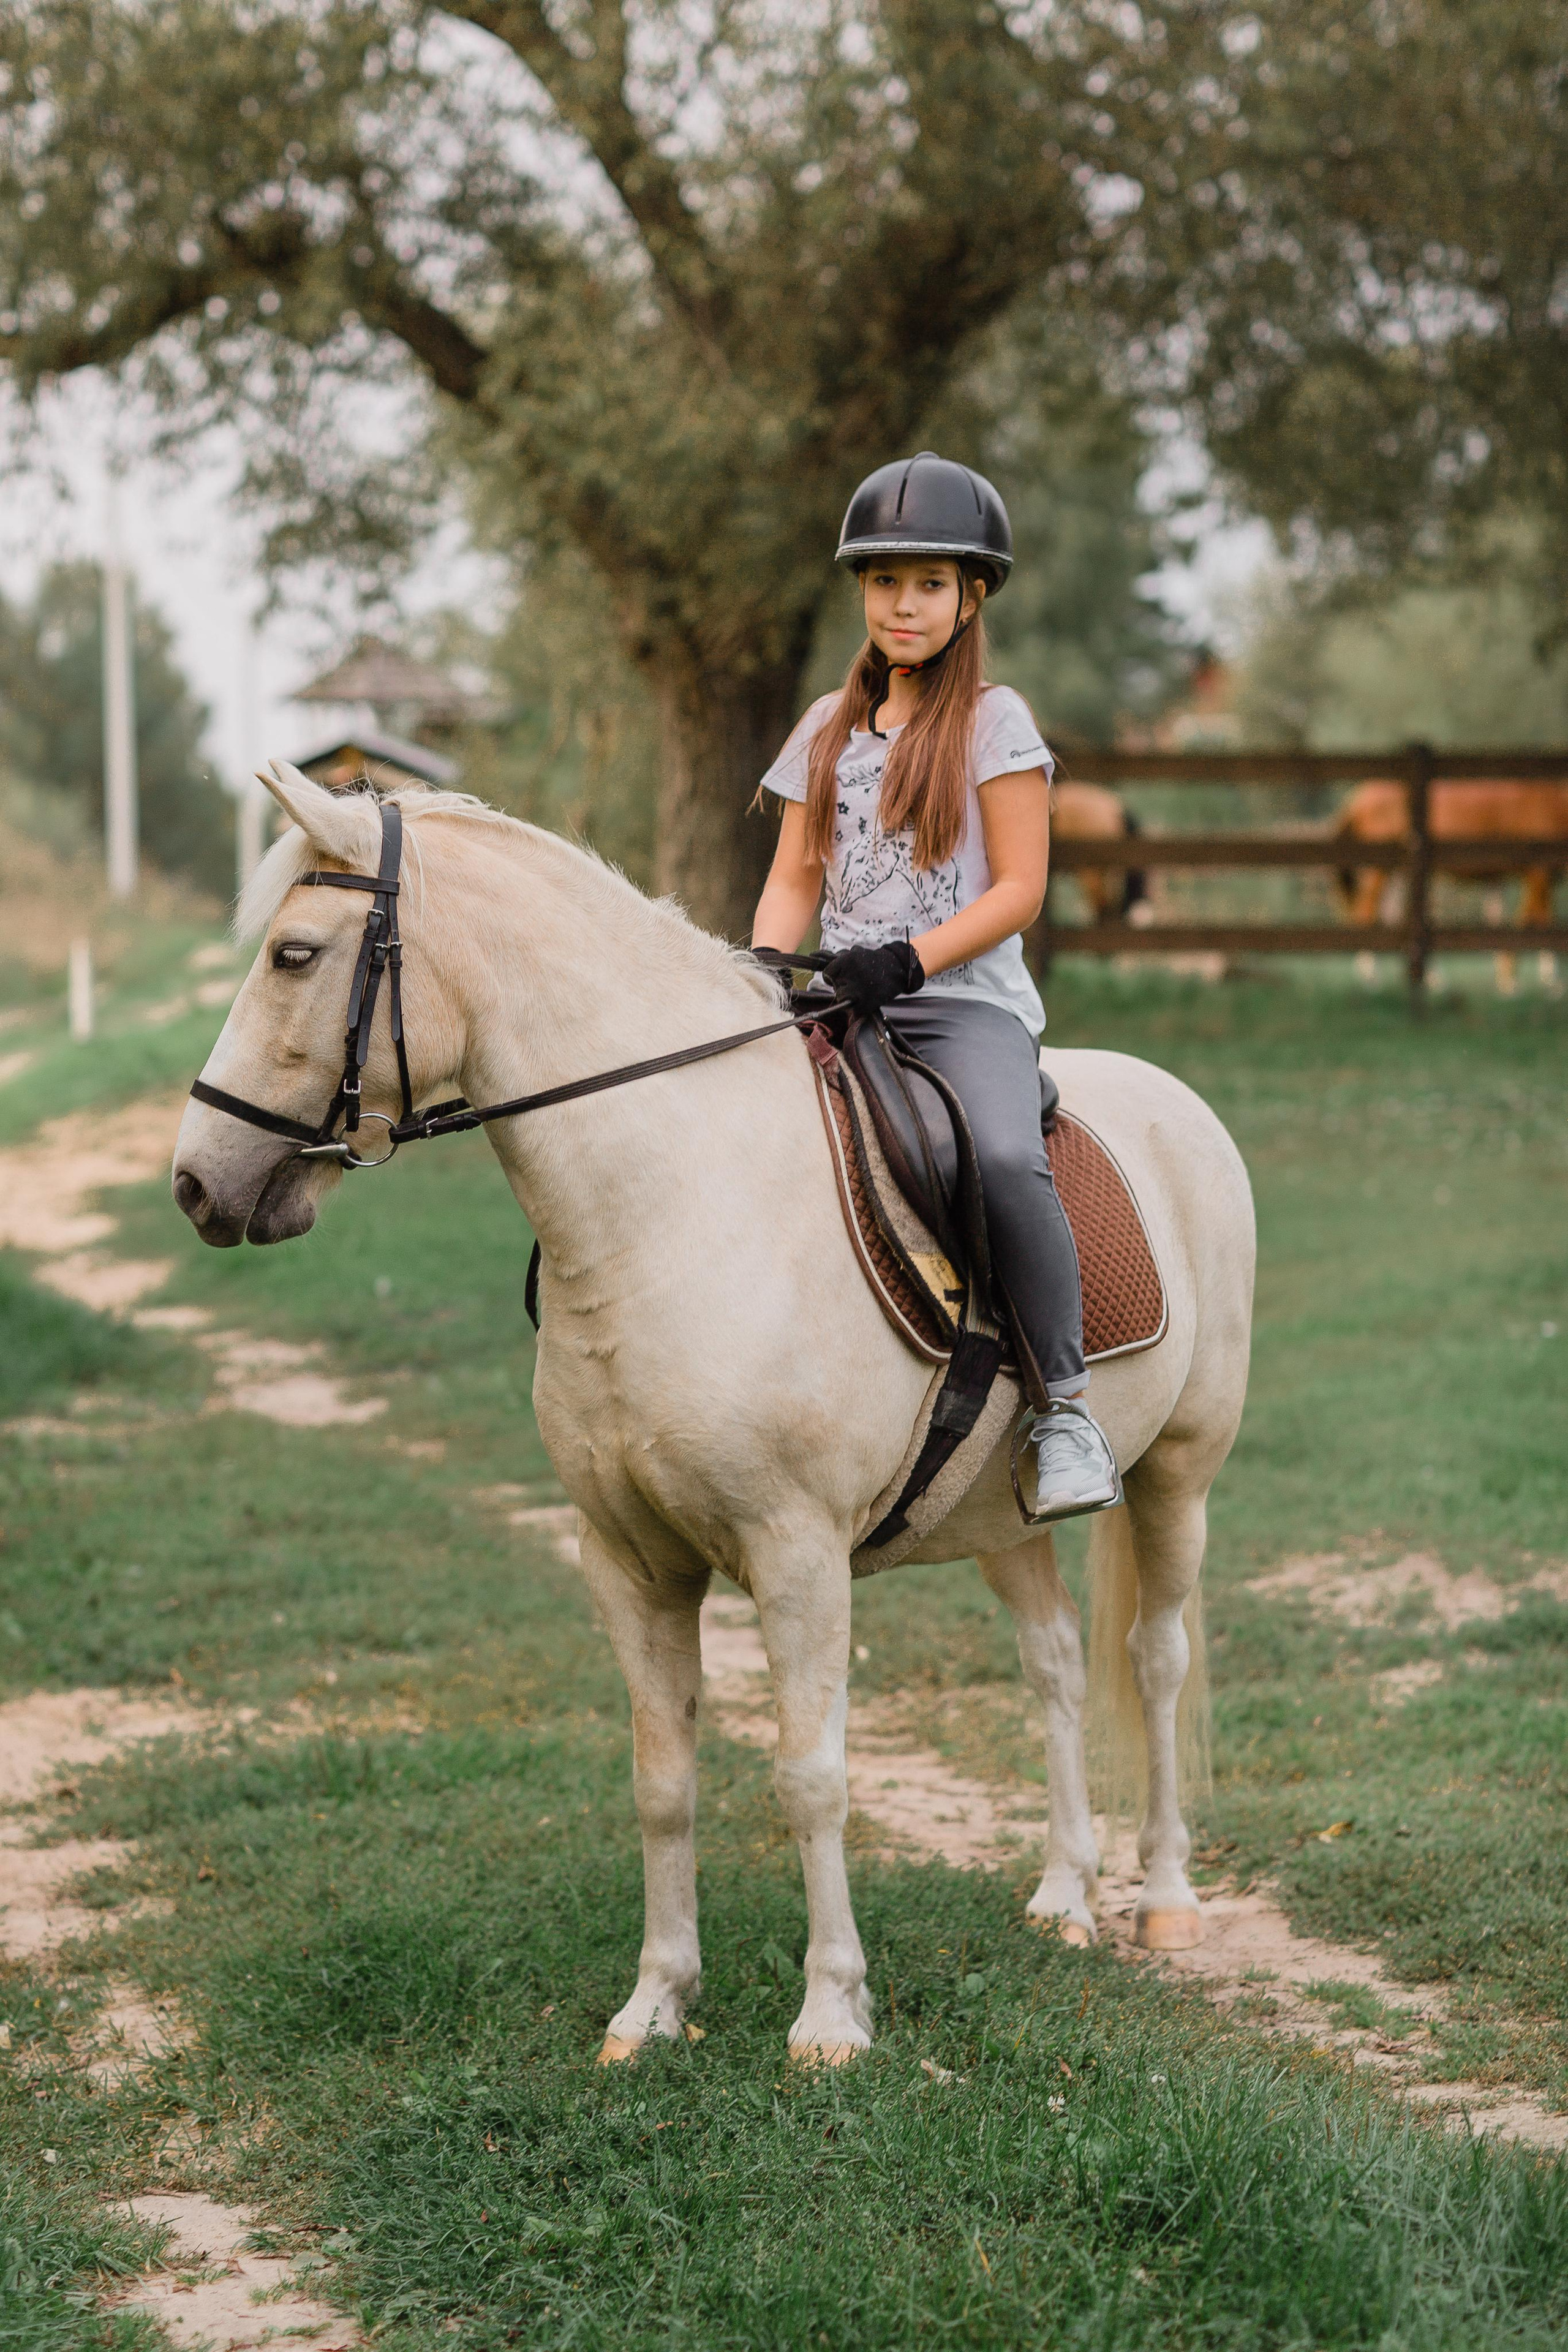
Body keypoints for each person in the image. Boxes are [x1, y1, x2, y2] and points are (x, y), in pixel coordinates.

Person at [751, 451, 1119, 1519]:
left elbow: (1020, 890)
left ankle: (1066, 1412)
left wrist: (910, 960)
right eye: (884, 582)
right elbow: (794, 878)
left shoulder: (996, 723)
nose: (903, 605)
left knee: (998, 1157)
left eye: (928, 584)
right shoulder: (826, 726)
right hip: (840, 999)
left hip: (963, 1007)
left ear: (972, 596)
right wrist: (766, 973)